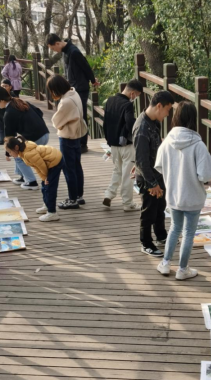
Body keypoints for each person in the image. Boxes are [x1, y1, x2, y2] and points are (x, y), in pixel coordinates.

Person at [155, 101, 211, 280]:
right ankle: (182, 269)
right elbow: (205, 175)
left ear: (176, 117)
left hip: (174, 195)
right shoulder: (198, 144)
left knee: (174, 228)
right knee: (188, 233)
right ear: (193, 119)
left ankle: (165, 263)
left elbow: (159, 166)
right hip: (193, 197)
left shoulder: (167, 142)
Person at [133, 90, 174, 257]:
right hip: (148, 177)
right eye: (167, 110)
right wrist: (153, 184)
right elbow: (141, 161)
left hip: (157, 173)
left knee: (160, 208)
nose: (168, 114)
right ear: (159, 106)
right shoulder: (142, 128)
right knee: (148, 211)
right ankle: (146, 243)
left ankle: (161, 235)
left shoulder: (154, 121)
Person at [46, 33, 99, 154]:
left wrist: (92, 80)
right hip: (73, 86)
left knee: (81, 114)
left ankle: (83, 144)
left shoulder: (74, 52)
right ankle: (76, 140)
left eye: (53, 48)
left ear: (57, 43)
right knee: (76, 114)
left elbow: (85, 66)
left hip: (80, 87)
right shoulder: (65, 51)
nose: (54, 51)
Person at [0, 87, 49, 190]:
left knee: (18, 156)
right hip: (45, 133)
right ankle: (23, 177)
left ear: (2, 100)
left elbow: (9, 137)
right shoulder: (20, 101)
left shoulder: (8, 113)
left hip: (35, 137)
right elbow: (39, 112)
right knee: (19, 150)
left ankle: (31, 182)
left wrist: (8, 153)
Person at [103, 80, 143, 212]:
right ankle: (127, 203)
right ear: (132, 93)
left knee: (117, 170)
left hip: (113, 144)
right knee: (127, 174)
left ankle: (109, 194)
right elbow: (130, 123)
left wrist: (109, 140)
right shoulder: (128, 105)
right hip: (126, 145)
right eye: (136, 95)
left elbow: (105, 122)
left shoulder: (110, 100)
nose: (135, 98)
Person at [47, 74, 86, 210]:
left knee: (69, 169)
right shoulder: (74, 93)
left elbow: (56, 122)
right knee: (76, 166)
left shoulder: (65, 102)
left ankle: (72, 199)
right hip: (77, 134)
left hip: (67, 136)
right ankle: (79, 195)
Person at [5, 136, 64, 222]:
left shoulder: (28, 154)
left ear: (16, 147)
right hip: (49, 161)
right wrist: (44, 178)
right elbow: (37, 167)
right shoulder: (23, 152)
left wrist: (46, 177)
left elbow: (41, 166)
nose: (10, 154)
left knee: (49, 188)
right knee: (44, 186)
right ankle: (47, 205)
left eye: (10, 152)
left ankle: (52, 213)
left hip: (54, 161)